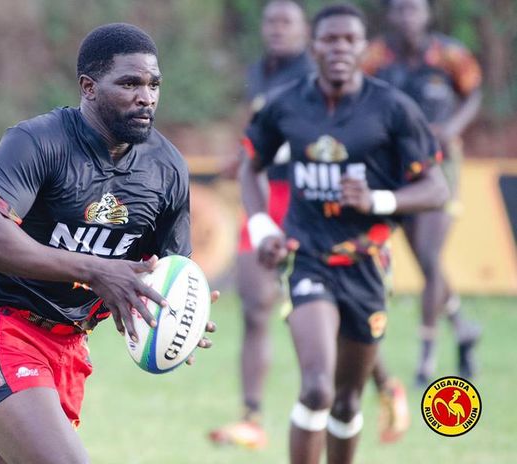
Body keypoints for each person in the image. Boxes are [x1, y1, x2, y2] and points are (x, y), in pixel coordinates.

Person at [0, 23, 217, 464]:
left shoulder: (167, 170)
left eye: (153, 84)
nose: (146, 96)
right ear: (88, 87)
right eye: (129, 83)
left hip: (68, 345)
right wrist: (94, 269)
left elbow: (170, 267)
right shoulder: (39, 141)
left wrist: (182, 310)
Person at [238, 4, 449, 463]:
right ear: (314, 47)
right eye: (328, 39)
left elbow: (436, 187)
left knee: (348, 399)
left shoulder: (393, 108)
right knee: (317, 387)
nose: (338, 48)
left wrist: (379, 200)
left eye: (348, 40)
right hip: (307, 257)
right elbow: (249, 167)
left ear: (363, 47)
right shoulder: (286, 104)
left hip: (367, 264)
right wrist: (262, 227)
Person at [209, 0, 314, 450]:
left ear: (305, 30)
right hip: (263, 196)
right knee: (255, 307)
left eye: (286, 22)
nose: (276, 29)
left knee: (327, 311)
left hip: (307, 199)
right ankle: (251, 417)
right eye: (271, 22)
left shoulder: (316, 74)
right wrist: (243, 155)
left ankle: (381, 385)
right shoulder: (261, 73)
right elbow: (260, 127)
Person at [362, 0, 483, 387]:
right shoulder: (377, 56)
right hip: (393, 168)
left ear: (427, 14)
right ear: (391, 17)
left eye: (414, 9)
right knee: (421, 257)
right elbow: (358, 95)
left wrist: (451, 128)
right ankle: (462, 326)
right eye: (399, 10)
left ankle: (426, 360)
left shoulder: (449, 54)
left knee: (430, 257)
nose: (407, 17)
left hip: (436, 167)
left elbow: (474, 94)